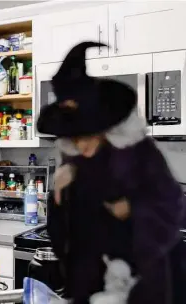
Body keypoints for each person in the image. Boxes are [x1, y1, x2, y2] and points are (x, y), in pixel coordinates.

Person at [37, 42, 186, 304]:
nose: (80, 146)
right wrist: (58, 198)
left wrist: (131, 209)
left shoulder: (142, 156)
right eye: (73, 138)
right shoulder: (74, 162)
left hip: (144, 285)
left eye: (85, 136)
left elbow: (171, 211)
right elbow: (63, 239)